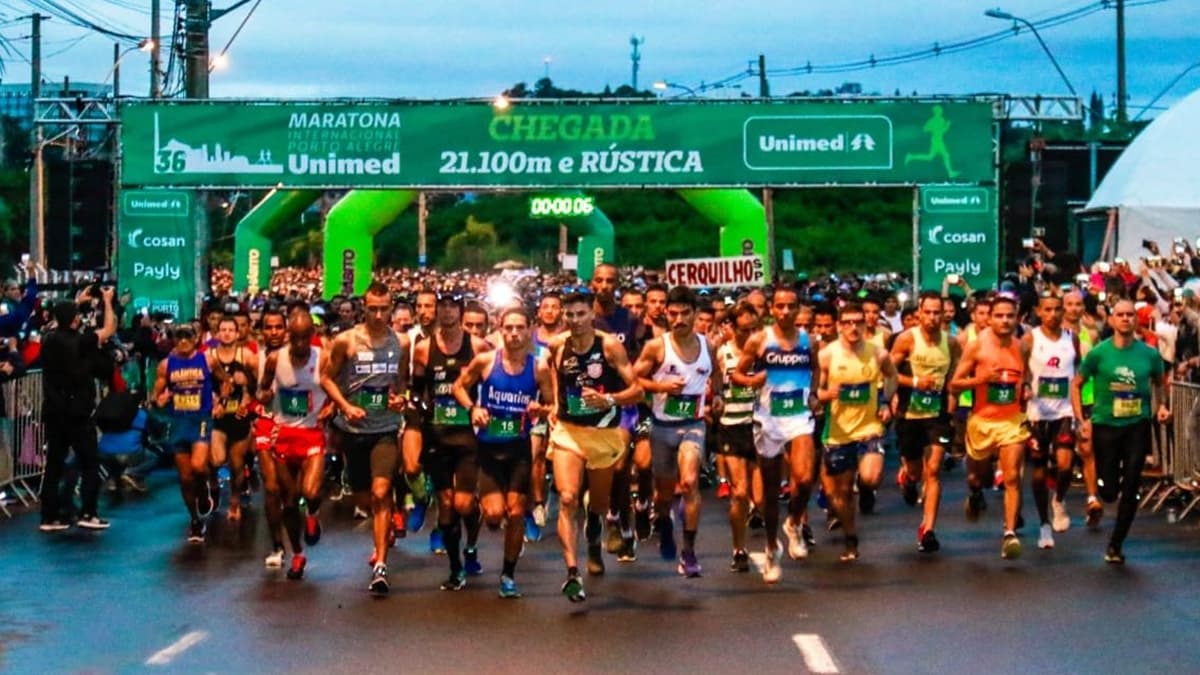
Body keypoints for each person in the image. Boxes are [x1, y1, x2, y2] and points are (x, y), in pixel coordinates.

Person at [547, 291, 643, 602]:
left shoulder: (609, 346)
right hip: (569, 431)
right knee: (567, 497)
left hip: (603, 433)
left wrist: (609, 399)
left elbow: (638, 391)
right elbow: (555, 373)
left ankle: (594, 531)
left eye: (580, 314)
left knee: (598, 504)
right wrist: (555, 404)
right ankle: (572, 573)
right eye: (569, 315)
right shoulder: (558, 346)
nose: (574, 321)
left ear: (591, 315)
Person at [452, 306, 554, 598]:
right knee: (495, 515)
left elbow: (553, 405)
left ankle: (508, 575)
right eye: (508, 328)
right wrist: (474, 409)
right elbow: (459, 387)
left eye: (520, 327)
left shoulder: (539, 367)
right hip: (487, 449)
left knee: (517, 511)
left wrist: (540, 410)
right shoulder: (485, 361)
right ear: (500, 329)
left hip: (518, 449)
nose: (513, 334)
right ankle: (489, 534)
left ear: (529, 329)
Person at [321, 282, 409, 595]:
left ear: (392, 307)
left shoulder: (401, 342)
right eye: (373, 308)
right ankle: (386, 522)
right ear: (363, 306)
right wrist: (345, 406)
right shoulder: (347, 341)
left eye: (384, 308)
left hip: (385, 428)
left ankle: (381, 565)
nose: (379, 314)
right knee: (364, 499)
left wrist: (400, 398)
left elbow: (402, 381)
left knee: (381, 490)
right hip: (353, 431)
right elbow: (326, 378)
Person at [1072, 299, 1171, 564]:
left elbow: (1161, 383)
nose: (1126, 319)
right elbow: (1077, 383)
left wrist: (1162, 406)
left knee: (1131, 484)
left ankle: (1116, 543)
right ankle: (1104, 492)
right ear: (1112, 320)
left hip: (1137, 425)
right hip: (1106, 425)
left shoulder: (1149, 354)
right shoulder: (1099, 353)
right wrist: (1081, 418)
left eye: (1130, 315)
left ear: (1136, 321)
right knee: (1110, 491)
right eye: (1121, 315)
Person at [634, 286, 722, 577]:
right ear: (666, 314)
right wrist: (660, 387)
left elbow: (717, 373)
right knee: (664, 494)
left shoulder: (707, 346)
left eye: (685, 313)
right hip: (662, 428)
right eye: (673, 313)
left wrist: (718, 396)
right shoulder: (657, 347)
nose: (679, 319)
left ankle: (689, 551)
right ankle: (665, 524)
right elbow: (636, 379)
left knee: (690, 482)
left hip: (692, 425)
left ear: (696, 314)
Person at [733, 285, 817, 583]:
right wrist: (752, 381)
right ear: (772, 309)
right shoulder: (759, 340)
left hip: (798, 417)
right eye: (779, 306)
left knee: (805, 478)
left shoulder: (809, 340)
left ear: (798, 309)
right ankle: (771, 547)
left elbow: (815, 370)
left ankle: (793, 523)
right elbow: (737, 374)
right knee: (769, 494)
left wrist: (814, 394)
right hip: (768, 420)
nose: (785, 311)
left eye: (790, 306)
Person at [409, 293, 491, 591]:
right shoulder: (422, 350)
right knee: (445, 503)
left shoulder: (478, 346)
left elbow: (492, 380)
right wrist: (419, 411)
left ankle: (471, 544)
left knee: (464, 502)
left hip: (469, 435)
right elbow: (416, 390)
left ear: (460, 311)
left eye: (451, 307)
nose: (446, 313)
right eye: (441, 307)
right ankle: (456, 568)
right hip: (438, 434)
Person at [815, 302, 897, 561]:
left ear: (865, 325)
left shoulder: (878, 353)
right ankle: (851, 537)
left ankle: (865, 486)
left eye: (858, 322)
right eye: (847, 323)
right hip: (838, 431)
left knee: (871, 477)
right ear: (840, 326)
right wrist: (825, 394)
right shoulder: (827, 355)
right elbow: (814, 392)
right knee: (840, 494)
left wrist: (886, 401)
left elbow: (892, 375)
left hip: (869, 427)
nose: (853, 328)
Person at [949, 294, 1029, 559]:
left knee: (1012, 477)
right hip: (982, 421)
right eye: (999, 316)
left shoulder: (1021, 346)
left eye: (1010, 316)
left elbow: (1024, 376)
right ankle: (974, 492)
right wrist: (981, 379)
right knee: (977, 478)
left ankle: (1009, 533)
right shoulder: (976, 347)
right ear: (990, 319)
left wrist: (1025, 389)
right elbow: (955, 384)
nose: (1005, 321)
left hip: (1012, 422)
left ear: (1017, 318)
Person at [39, 288, 118, 531]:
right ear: (75, 319)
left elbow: (56, 320)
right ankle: (88, 512)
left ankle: (50, 516)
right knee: (89, 462)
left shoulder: (47, 339)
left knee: (54, 463)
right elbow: (109, 329)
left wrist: (73, 303)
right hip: (78, 411)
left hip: (54, 409)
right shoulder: (82, 341)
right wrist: (106, 301)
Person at [258, 311, 329, 580]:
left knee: (310, 491)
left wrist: (330, 409)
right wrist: (265, 396)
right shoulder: (276, 359)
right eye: (295, 337)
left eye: (304, 338)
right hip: (283, 434)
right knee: (288, 502)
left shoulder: (323, 358)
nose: (299, 344)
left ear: (312, 336)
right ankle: (297, 554)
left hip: (312, 433)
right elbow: (264, 391)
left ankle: (313, 513)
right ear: (289, 335)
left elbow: (335, 388)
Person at [889, 291, 960, 553]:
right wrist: (916, 383)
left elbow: (955, 377)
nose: (931, 317)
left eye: (936, 312)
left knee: (933, 470)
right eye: (927, 312)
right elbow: (889, 374)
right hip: (910, 414)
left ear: (943, 314)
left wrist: (953, 400)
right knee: (917, 470)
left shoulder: (951, 343)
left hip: (937, 415)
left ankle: (928, 528)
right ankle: (908, 478)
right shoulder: (906, 340)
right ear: (919, 312)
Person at [152, 322, 224, 543]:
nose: (183, 341)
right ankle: (195, 520)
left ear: (196, 338)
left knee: (198, 466)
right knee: (184, 477)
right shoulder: (166, 365)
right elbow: (156, 395)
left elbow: (226, 382)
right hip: (178, 421)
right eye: (179, 337)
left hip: (200, 419)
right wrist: (160, 399)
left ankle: (204, 493)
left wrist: (220, 402)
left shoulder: (208, 360)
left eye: (187, 337)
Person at [1022, 293, 1081, 549]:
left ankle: (1058, 499)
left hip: (1064, 411)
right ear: (1039, 311)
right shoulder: (1030, 338)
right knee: (1039, 470)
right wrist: (1024, 386)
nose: (1054, 314)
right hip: (1037, 412)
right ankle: (1044, 524)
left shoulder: (1072, 338)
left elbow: (1076, 370)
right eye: (1048, 309)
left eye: (1058, 309)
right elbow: (1020, 366)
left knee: (1065, 465)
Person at [714, 301, 760, 571]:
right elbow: (716, 381)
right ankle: (739, 548)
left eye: (754, 328)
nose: (750, 335)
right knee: (740, 493)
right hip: (732, 425)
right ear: (732, 328)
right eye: (744, 330)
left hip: (762, 425)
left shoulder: (766, 350)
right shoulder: (723, 353)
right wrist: (717, 396)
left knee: (763, 497)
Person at [209, 317, 258, 521]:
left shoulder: (247, 356)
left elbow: (256, 387)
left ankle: (234, 502)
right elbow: (204, 386)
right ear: (217, 333)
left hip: (239, 416)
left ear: (238, 334)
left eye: (231, 329)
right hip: (218, 417)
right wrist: (214, 404)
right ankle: (213, 486)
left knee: (237, 463)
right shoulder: (209, 356)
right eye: (223, 329)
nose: (227, 333)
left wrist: (246, 403)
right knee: (217, 459)